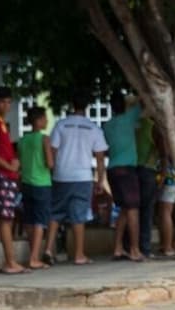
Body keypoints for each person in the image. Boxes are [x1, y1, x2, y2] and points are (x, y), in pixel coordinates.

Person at [45, 91, 108, 266]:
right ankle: (79, 255)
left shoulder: (61, 125)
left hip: (61, 175)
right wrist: (100, 180)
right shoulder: (93, 128)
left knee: (56, 213)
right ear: (86, 107)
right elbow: (100, 157)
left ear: (72, 106)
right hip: (82, 177)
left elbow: (53, 150)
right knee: (79, 216)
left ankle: (49, 250)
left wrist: (53, 171)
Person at [0, 86, 26, 274]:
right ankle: (10, 262)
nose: (6, 105)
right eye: (2, 101)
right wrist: (9, 166)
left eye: (8, 102)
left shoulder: (0, 123)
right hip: (1, 175)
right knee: (5, 219)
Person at [103, 93, 144, 262]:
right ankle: (134, 249)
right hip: (128, 170)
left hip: (112, 169)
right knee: (133, 209)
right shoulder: (129, 117)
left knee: (124, 210)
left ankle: (118, 248)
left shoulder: (107, 125)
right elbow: (144, 100)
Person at [18, 106, 55, 270]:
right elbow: (50, 163)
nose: (47, 121)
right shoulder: (44, 139)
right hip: (41, 184)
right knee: (40, 221)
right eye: (45, 118)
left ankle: (33, 255)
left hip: (26, 183)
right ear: (39, 120)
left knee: (29, 220)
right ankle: (34, 258)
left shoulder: (22, 140)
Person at [135, 114, 160, 258]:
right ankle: (145, 248)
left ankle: (132, 246)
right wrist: (163, 173)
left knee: (133, 210)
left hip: (133, 169)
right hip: (148, 170)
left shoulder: (134, 124)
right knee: (147, 211)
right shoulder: (152, 126)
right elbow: (162, 151)